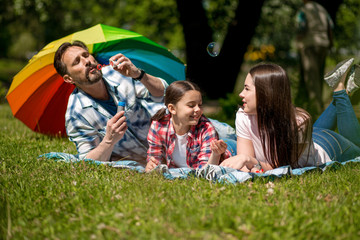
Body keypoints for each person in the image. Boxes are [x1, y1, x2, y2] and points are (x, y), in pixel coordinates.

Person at [220, 61, 360, 172]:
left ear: (266, 93)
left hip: (327, 145)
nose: (241, 94)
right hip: (305, 140)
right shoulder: (243, 116)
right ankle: (344, 91)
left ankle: (340, 90)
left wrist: (249, 161)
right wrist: (246, 166)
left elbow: (279, 166)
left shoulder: (299, 122)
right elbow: (247, 162)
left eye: (247, 88)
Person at [54, 40, 169, 165]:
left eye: (86, 55)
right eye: (77, 62)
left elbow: (164, 94)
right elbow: (87, 163)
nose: (86, 61)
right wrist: (109, 140)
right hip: (141, 163)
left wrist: (138, 74)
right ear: (69, 78)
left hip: (170, 143)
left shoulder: (118, 72)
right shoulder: (76, 114)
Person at [145, 81, 236, 172]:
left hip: (230, 149)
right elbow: (154, 157)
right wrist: (152, 165)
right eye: (191, 105)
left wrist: (216, 154)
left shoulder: (207, 129)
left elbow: (206, 170)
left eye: (200, 105)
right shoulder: (158, 125)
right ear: (172, 109)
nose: (198, 109)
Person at [295, 0, 334, 117]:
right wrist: (330, 44)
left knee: (312, 82)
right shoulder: (322, 9)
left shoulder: (303, 10)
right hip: (323, 45)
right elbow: (330, 27)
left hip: (309, 46)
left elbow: (301, 28)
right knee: (318, 79)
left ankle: (317, 114)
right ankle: (313, 108)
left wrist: (298, 43)